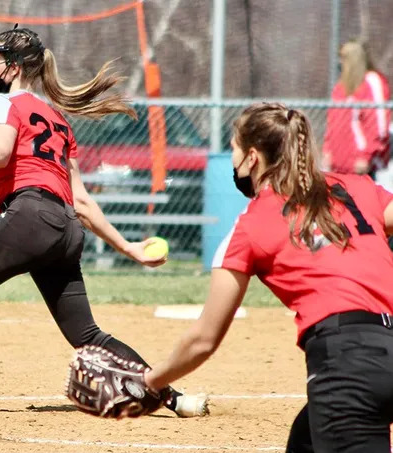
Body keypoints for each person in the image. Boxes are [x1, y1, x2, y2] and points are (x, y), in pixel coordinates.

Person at [0, 26, 208, 418]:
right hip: (67, 227)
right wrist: (129, 247)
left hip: (30, 217)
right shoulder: (56, 116)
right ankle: (176, 399)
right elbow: (81, 201)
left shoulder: (6, 104)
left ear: (15, 67)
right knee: (87, 334)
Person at [141, 103, 393, 452]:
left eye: (234, 149)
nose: (233, 160)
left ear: (253, 158)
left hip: (345, 366)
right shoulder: (357, 188)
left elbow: (204, 339)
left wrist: (149, 382)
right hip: (385, 348)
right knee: (304, 441)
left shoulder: (252, 225)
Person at [322, 40, 390, 179]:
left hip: (360, 167)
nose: (340, 63)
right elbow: (332, 122)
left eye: (344, 58)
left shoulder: (371, 81)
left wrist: (366, 156)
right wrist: (328, 150)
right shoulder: (340, 88)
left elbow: (379, 125)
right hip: (338, 166)